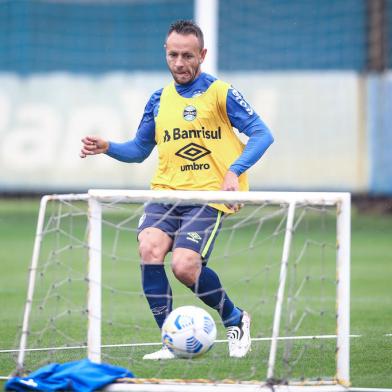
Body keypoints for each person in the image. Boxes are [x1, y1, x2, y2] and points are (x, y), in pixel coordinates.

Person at [80, 19, 274, 360]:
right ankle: (172, 339)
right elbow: (140, 150)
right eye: (173, 55)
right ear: (165, 54)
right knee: (149, 250)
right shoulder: (159, 99)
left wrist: (235, 171)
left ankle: (235, 318)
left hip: (209, 196)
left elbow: (262, 134)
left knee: (184, 266)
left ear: (202, 54)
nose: (180, 63)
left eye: (188, 55)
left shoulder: (221, 93)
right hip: (166, 193)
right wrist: (108, 146)